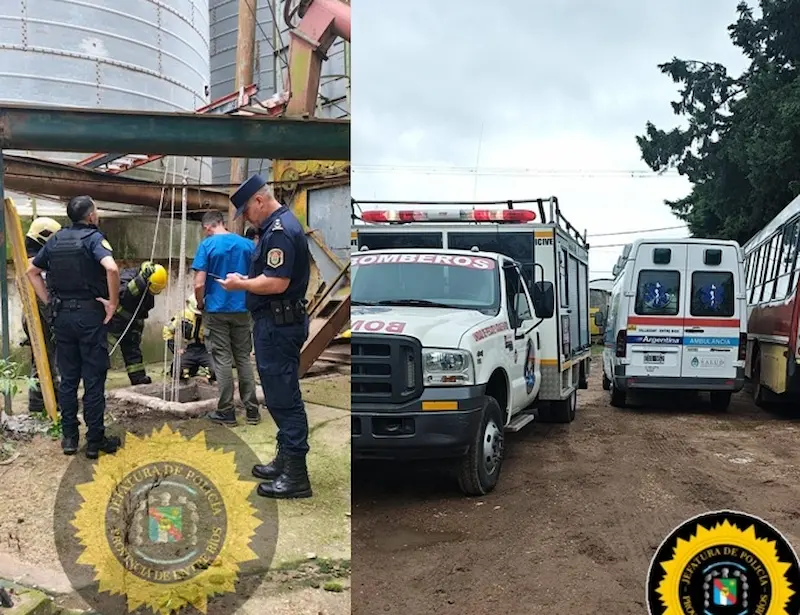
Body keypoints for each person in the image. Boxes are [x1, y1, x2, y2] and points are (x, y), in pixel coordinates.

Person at [219, 174, 312, 500]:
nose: (246, 217)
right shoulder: (276, 227)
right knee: (277, 394)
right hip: (274, 323)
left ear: (259, 201)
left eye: (246, 211)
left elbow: (277, 283)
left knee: (284, 397)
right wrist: (246, 279)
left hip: (279, 325)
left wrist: (240, 284)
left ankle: (296, 476)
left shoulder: (281, 231)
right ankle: (285, 461)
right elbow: (271, 278)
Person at [26, 195, 121, 459]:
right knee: (93, 379)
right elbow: (111, 269)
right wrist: (112, 304)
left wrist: (48, 301)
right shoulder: (93, 239)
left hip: (62, 317)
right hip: (89, 317)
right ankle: (94, 441)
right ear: (90, 216)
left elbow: (31, 271)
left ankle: (69, 438)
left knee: (68, 379)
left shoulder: (55, 240)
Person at [192, 210, 261, 426]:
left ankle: (226, 411)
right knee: (243, 358)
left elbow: (198, 284)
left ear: (207, 228)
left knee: (222, 359)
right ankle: (252, 411)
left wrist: (201, 304)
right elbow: (258, 276)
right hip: (243, 309)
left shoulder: (207, 245)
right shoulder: (248, 245)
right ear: (223, 222)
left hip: (216, 309)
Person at [20, 217, 61, 417]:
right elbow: (43, 297)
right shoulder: (37, 265)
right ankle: (38, 405)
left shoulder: (30, 258)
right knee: (44, 361)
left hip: (34, 317)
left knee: (44, 359)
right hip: (40, 318)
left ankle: (49, 401)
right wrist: (56, 320)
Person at [107, 261, 168, 385]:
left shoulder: (150, 287)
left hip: (133, 325)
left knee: (133, 352)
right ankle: (92, 380)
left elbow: (146, 306)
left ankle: (138, 379)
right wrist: (140, 282)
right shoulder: (129, 276)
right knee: (101, 351)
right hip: (116, 323)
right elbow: (122, 294)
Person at [163, 295, 216, 383]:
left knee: (217, 372)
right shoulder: (184, 315)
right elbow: (167, 330)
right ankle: (192, 369)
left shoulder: (212, 317)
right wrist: (175, 349)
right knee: (176, 371)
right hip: (189, 349)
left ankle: (204, 373)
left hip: (207, 349)